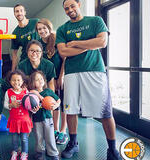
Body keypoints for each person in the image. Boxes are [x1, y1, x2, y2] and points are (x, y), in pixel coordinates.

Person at [56, 0, 121, 159]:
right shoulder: (63, 29)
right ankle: (73, 143)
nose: (69, 10)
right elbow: (63, 52)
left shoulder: (95, 21)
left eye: (72, 6)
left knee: (105, 112)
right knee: (70, 110)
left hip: (95, 71)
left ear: (79, 4)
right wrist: (90, 44)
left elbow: (102, 42)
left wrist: (77, 43)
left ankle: (112, 149)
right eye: (66, 8)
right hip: (71, 73)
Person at [36, 18, 68, 144]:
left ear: (49, 28)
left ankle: (63, 131)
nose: (42, 31)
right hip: (48, 79)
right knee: (52, 103)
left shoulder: (57, 39)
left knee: (64, 104)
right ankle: (54, 130)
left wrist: (61, 76)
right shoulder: (38, 43)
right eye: (39, 29)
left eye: (44, 28)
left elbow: (64, 59)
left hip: (60, 77)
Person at [28, 71, 60, 160]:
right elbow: (32, 92)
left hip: (48, 118)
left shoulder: (48, 91)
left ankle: (53, 152)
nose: (40, 80)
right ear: (33, 82)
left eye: (41, 78)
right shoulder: (31, 93)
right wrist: (38, 98)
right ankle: (39, 152)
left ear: (44, 80)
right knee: (39, 137)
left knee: (50, 136)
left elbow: (58, 100)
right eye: (37, 79)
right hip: (36, 119)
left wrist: (56, 105)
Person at [4, 70, 32, 160]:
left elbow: (30, 104)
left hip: (24, 120)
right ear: (10, 81)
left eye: (18, 80)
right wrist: (11, 105)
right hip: (14, 120)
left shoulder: (25, 91)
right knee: (14, 139)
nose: (16, 82)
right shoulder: (8, 92)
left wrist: (34, 108)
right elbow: (5, 104)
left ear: (22, 81)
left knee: (24, 138)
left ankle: (24, 153)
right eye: (14, 80)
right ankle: (15, 151)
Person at [11, 4, 40, 71]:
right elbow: (14, 54)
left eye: (21, 11)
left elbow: (47, 33)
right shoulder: (15, 33)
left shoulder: (36, 22)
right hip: (25, 61)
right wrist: (13, 70)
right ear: (14, 14)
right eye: (17, 11)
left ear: (25, 12)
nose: (19, 13)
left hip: (39, 58)